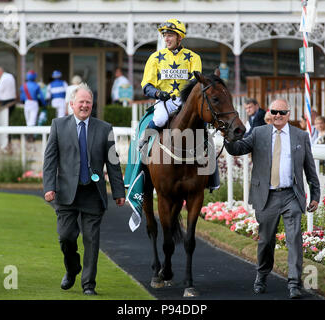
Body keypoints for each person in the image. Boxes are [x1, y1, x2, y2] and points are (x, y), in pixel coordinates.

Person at [224, 99, 320, 299]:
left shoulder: (300, 136)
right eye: (274, 111)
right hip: (266, 196)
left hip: (291, 196)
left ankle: (294, 283)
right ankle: (262, 276)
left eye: (282, 112)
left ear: (288, 114)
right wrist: (227, 137)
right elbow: (238, 149)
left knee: (294, 239)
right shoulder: (259, 133)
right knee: (266, 240)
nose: (278, 115)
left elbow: (310, 169)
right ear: (269, 112)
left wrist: (315, 195)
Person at [43, 83, 125, 296]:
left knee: (91, 239)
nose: (85, 105)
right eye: (81, 102)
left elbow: (113, 163)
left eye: (88, 102)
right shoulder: (58, 125)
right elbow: (50, 160)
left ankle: (88, 284)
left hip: (92, 194)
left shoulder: (104, 128)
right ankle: (72, 269)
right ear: (72, 104)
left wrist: (118, 192)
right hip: (65, 193)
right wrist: (49, 186)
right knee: (65, 237)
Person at [138, 18, 202, 148]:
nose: (166, 39)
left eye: (170, 35)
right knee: (160, 120)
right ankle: (144, 143)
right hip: (164, 101)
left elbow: (195, 83)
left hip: (185, 101)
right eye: (165, 36)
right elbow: (146, 85)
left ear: (179, 37)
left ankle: (207, 150)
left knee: (201, 119)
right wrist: (158, 93)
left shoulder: (194, 57)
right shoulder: (155, 58)